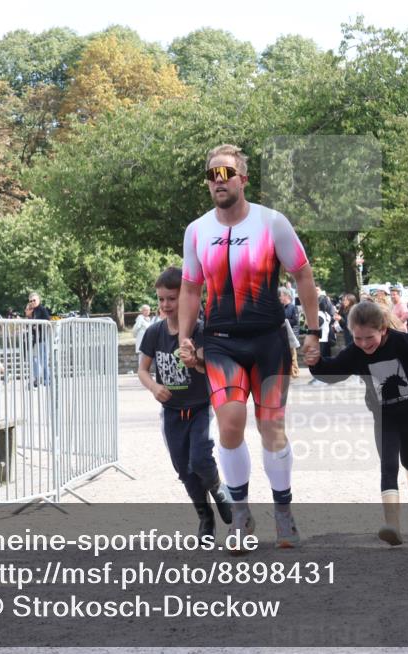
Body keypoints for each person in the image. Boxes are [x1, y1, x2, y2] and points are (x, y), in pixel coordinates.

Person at [178, 144, 319, 551]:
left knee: (273, 427)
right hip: (220, 343)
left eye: (225, 174)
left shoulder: (272, 223)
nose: (218, 182)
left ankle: (283, 513)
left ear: (243, 178)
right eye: (211, 176)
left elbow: (304, 276)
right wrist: (185, 338)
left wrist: (311, 330)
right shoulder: (197, 230)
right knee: (230, 423)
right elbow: (190, 287)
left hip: (269, 341)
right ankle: (240, 515)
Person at [305, 301, 408, 545]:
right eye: (357, 338)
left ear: (383, 329)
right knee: (388, 465)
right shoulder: (355, 352)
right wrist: (315, 363)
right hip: (384, 416)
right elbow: (332, 372)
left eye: (369, 337)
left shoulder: (404, 343)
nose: (363, 344)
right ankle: (392, 525)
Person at [139, 267, 233, 538]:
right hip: (171, 412)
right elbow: (143, 370)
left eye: (172, 298)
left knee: (201, 459)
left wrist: (196, 361)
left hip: (200, 407)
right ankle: (205, 516)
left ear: (187, 298)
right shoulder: (154, 333)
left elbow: (210, 368)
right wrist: (155, 387)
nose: (166, 305)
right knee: (184, 469)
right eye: (161, 299)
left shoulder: (198, 330)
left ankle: (218, 490)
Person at [27, 292, 52, 387]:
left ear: (38, 300)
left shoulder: (42, 309)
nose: (32, 302)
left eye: (34, 300)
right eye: (31, 301)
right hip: (35, 340)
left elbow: (47, 321)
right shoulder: (32, 311)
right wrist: (28, 316)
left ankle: (47, 380)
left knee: (44, 360)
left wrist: (38, 326)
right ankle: (37, 379)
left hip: (42, 338)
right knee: (35, 359)